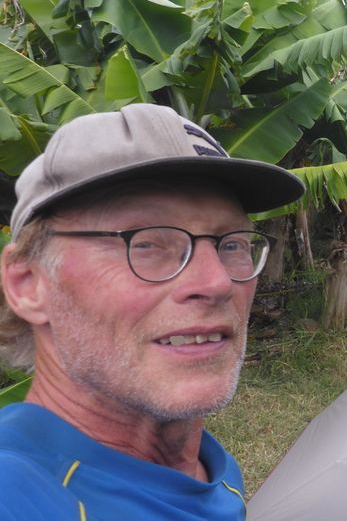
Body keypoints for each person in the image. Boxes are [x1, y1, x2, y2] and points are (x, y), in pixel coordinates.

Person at [0, 103, 305, 519]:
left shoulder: (209, 467)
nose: (216, 283)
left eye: (231, 242)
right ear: (28, 284)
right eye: (145, 243)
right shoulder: (18, 493)